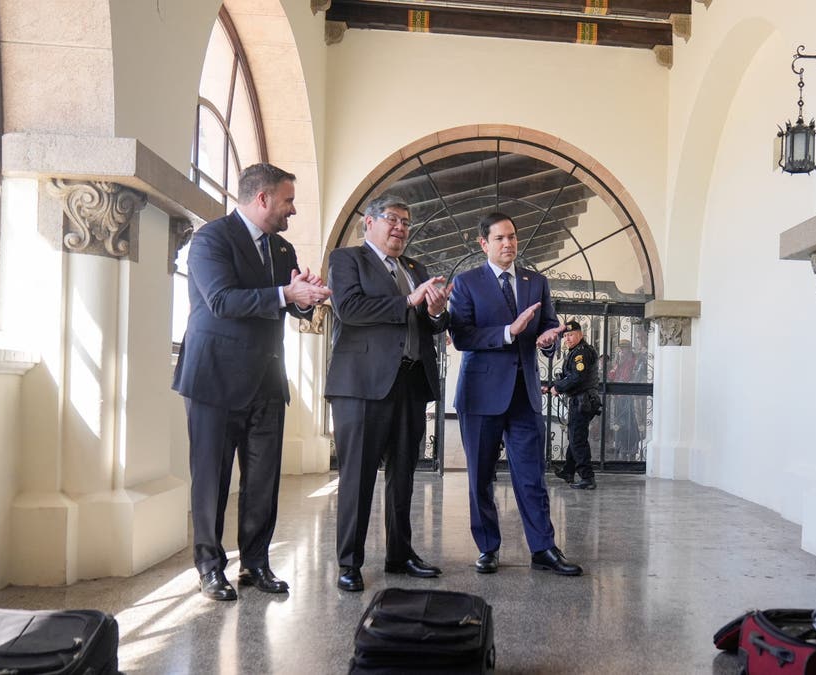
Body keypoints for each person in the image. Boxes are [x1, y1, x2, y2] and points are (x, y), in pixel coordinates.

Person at [173, 163, 331, 601]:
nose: (293, 210)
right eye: (288, 200)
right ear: (262, 199)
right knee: (212, 480)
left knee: (263, 480)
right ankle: (209, 567)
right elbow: (222, 301)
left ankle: (256, 564)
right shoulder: (211, 239)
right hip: (213, 380)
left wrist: (304, 298)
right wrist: (286, 295)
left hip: (266, 380)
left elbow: (289, 305)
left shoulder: (282, 251)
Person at [324, 195, 452, 592]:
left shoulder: (415, 268)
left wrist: (434, 312)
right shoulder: (347, 260)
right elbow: (350, 309)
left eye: (406, 223)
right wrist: (409, 301)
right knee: (358, 476)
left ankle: (400, 553)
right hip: (361, 384)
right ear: (369, 223)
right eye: (392, 219)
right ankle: (350, 562)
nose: (400, 228)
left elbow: (429, 324)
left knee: (404, 475)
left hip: (411, 383)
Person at [448, 212, 583, 576]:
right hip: (480, 395)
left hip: (525, 395)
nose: (508, 244)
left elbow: (548, 328)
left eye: (512, 237)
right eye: (500, 239)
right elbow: (462, 337)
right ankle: (488, 548)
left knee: (531, 476)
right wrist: (509, 331)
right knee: (480, 476)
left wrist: (547, 340)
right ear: (483, 243)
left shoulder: (535, 282)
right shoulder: (466, 283)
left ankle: (543, 549)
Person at [546, 320, 600, 489]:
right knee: (574, 436)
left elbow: (577, 377)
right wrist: (551, 387)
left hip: (583, 401)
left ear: (580, 334)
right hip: (579, 400)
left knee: (577, 439)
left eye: (571, 335)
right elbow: (567, 376)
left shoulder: (581, 353)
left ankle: (587, 478)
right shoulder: (574, 351)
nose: (567, 338)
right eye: (565, 336)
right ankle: (569, 471)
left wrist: (558, 387)